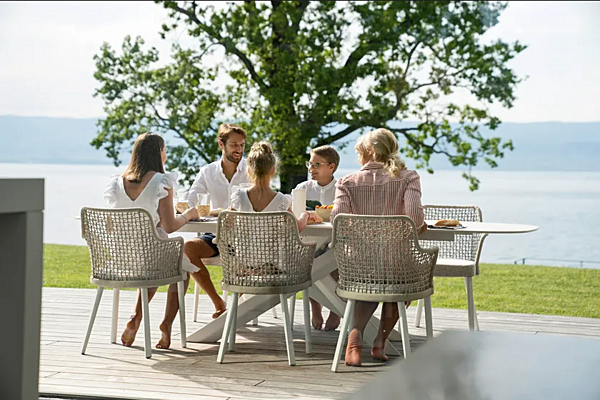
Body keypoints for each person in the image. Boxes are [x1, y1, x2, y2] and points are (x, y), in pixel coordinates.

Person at [330, 128, 427, 367]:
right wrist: (418, 226)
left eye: (359, 152)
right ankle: (379, 342)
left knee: (371, 280)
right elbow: (413, 218)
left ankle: (355, 336)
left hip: (357, 266)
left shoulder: (346, 182)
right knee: (398, 282)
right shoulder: (408, 177)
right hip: (397, 263)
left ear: (369, 152)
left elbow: (338, 221)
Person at [104, 132, 200, 350]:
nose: (165, 154)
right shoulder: (161, 181)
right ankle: (166, 324)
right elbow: (169, 226)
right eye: (164, 149)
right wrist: (188, 216)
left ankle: (135, 318)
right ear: (159, 153)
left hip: (121, 259)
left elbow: (114, 222)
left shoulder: (116, 183)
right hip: (150, 257)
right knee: (180, 266)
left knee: (156, 259)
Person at [185, 123, 251, 319]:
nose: (239, 149)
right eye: (234, 145)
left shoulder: (252, 169)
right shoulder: (208, 172)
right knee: (187, 249)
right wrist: (215, 211)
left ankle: (238, 310)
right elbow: (191, 201)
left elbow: (261, 201)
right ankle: (219, 303)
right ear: (221, 144)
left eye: (241, 145)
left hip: (247, 238)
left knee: (250, 258)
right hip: (215, 234)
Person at [294, 145, 342, 331]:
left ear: (331, 167)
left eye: (316, 165)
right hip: (309, 242)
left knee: (336, 259)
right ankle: (316, 307)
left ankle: (336, 310)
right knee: (310, 258)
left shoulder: (341, 189)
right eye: (310, 164)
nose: (311, 169)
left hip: (334, 242)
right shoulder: (302, 189)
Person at [230, 141, 317, 230]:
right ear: (273, 170)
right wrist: (305, 215)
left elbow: (228, 222)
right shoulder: (281, 200)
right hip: (272, 244)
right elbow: (297, 227)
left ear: (248, 170)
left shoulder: (238, 196)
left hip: (243, 244)